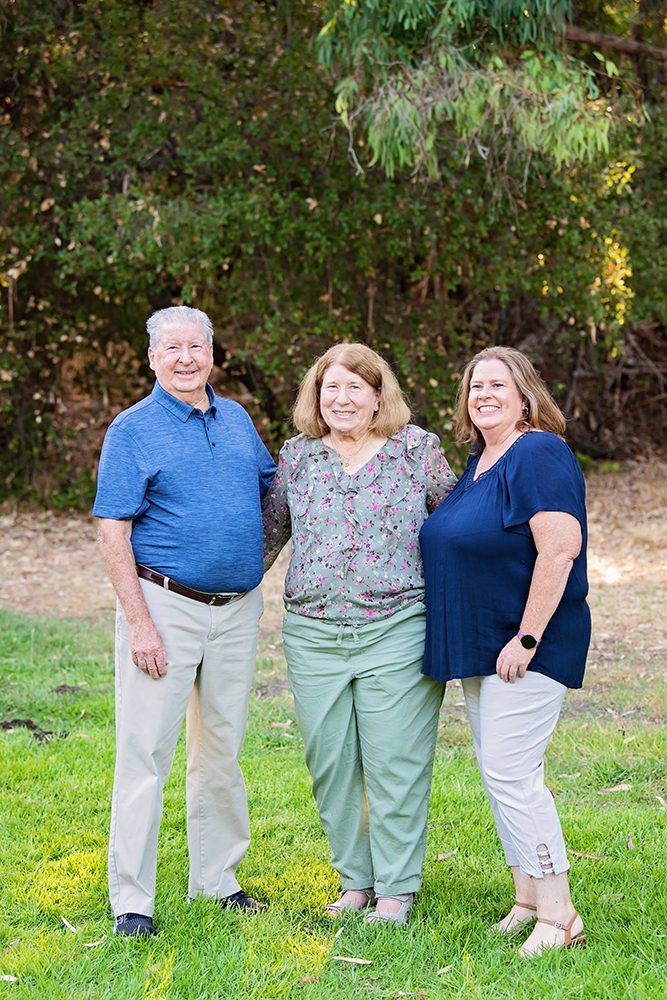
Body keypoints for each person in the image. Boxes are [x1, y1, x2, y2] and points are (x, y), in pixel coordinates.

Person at [93, 305, 276, 936]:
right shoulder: (132, 430)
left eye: (196, 346)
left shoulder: (236, 419)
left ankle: (217, 881)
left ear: (211, 352)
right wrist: (140, 623)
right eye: (172, 348)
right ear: (151, 357)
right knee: (145, 752)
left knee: (221, 748)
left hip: (235, 611)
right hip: (164, 607)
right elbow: (112, 530)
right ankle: (132, 901)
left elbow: (268, 494)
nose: (186, 358)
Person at [263, 343, 456, 925]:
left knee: (395, 760)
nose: (341, 399)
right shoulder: (297, 457)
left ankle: (396, 890)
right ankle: (355, 882)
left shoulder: (415, 451)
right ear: (315, 397)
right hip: (313, 632)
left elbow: (457, 527)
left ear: (378, 395)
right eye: (331, 388)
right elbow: (266, 540)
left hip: (397, 627)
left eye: (355, 387)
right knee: (331, 763)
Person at [419, 345, 590, 957]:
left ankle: (559, 913)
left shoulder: (537, 452)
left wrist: (527, 636)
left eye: (498, 384)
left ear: (524, 395)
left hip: (526, 644)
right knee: (499, 775)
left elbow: (559, 548)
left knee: (514, 776)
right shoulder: (480, 463)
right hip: (484, 646)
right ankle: (525, 899)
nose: (484, 395)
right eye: (474, 387)